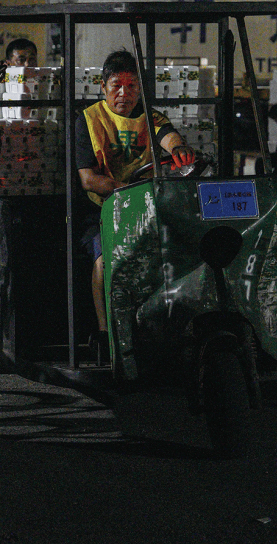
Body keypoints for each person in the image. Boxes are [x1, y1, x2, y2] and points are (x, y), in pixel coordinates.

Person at [75, 50, 197, 354]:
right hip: (102, 210)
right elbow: (88, 179)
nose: (124, 94)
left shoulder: (149, 116)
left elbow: (168, 135)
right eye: (116, 85)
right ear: (103, 87)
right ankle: (105, 334)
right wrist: (124, 192)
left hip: (150, 206)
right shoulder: (89, 121)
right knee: (104, 260)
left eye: (131, 86)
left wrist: (179, 148)